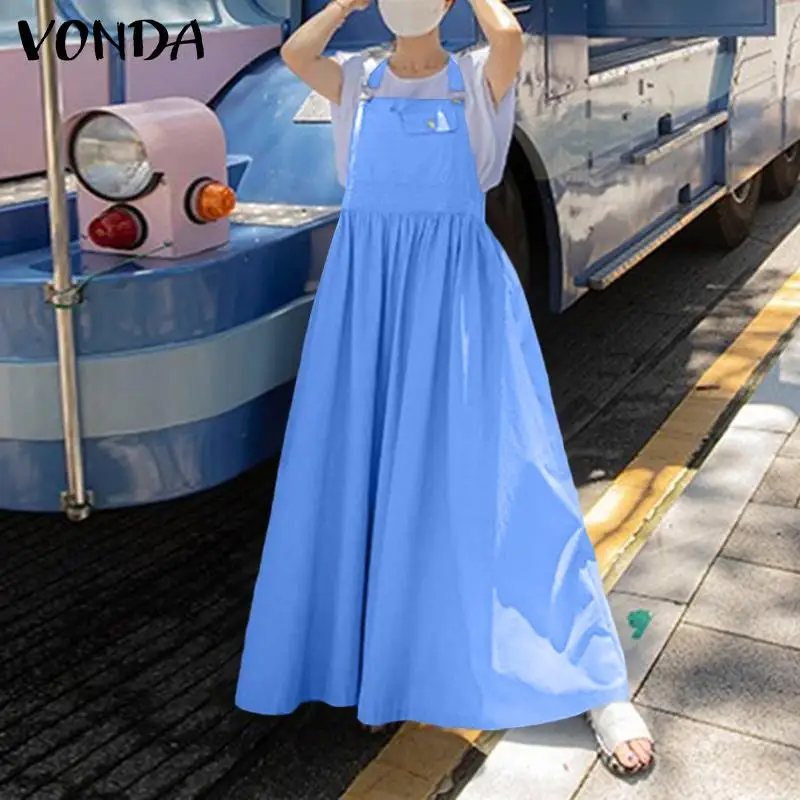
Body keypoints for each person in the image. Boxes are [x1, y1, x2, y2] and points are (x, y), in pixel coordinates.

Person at [236, 0, 655, 776]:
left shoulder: (475, 78)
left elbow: (510, 33)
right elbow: (296, 53)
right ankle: (382, 663)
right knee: (362, 469)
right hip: (368, 299)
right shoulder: (357, 80)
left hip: (459, 296)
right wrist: (344, 4)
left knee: (510, 473)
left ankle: (591, 677)